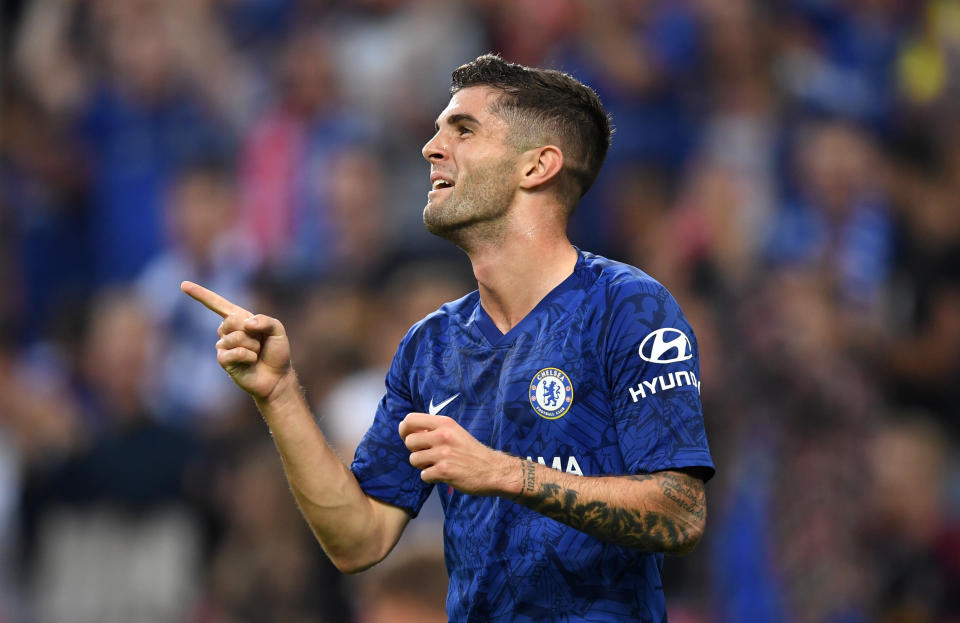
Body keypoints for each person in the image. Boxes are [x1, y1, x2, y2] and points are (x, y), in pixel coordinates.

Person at [182, 54, 714, 622]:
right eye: (438, 130)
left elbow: (680, 513)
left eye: (463, 130)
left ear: (537, 167)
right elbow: (358, 539)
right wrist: (280, 392)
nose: (431, 148)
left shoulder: (627, 307)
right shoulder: (431, 345)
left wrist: (504, 472)